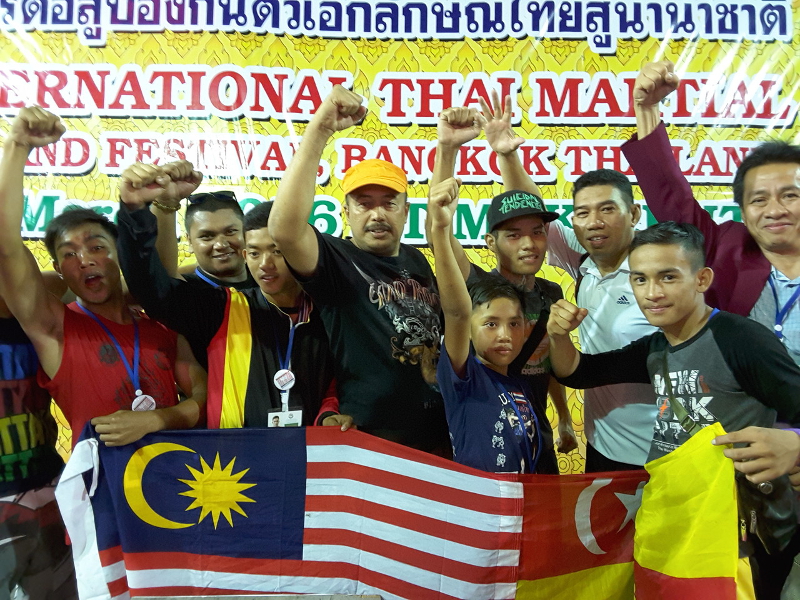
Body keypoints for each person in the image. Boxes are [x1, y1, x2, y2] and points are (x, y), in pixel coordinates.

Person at [547, 222, 800, 595]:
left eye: (668, 277)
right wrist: (557, 336)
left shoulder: (740, 340)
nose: (652, 293)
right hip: (681, 520)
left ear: (701, 279)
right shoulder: (657, 347)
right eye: (640, 279)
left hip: (743, 534)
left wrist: (794, 444)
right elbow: (579, 372)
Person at [624, 60, 800, 597]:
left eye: (790, 194)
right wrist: (648, 112)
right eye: (758, 199)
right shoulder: (728, 251)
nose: (775, 209)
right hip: (753, 495)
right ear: (743, 210)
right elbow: (673, 201)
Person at [0, 106, 206, 447]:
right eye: (69, 254)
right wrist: (17, 146)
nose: (84, 260)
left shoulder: (162, 330)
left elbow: (205, 394)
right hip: (100, 494)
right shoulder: (55, 328)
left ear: (119, 254)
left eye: (97, 247)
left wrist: (158, 419)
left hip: (174, 490)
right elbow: (6, 248)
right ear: (59, 269)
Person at [269, 85, 448, 453]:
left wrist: (448, 148)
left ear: (405, 212)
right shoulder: (335, 258)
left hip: (435, 432)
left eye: (389, 203)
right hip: (368, 437)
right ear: (345, 213)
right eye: (364, 204)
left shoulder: (416, 260)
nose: (377, 214)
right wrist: (320, 129)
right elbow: (284, 230)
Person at [117, 165, 350, 430]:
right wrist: (134, 211)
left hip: (313, 459)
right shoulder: (222, 306)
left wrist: (328, 414)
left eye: (277, 251)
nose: (265, 264)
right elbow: (150, 286)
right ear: (245, 255)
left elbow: (343, 380)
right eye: (254, 253)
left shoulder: (330, 311)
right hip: (233, 464)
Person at [425, 102, 575, 473]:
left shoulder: (551, 294)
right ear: (491, 243)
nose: (528, 244)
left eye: (537, 233)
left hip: (535, 431)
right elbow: (436, 230)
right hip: (487, 435)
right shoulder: (477, 287)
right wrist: (448, 150)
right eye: (513, 235)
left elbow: (549, 364)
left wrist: (564, 417)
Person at [430, 176, 546, 473]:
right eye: (491, 324)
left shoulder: (520, 387)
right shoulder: (464, 377)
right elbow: (456, 312)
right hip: (477, 513)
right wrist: (441, 230)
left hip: (519, 509)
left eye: (514, 324)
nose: (505, 335)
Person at [123, 161, 256, 291]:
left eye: (230, 232)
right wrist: (166, 201)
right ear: (190, 242)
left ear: (247, 234)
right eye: (207, 236)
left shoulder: (271, 283)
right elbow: (158, 277)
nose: (221, 244)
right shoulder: (185, 294)